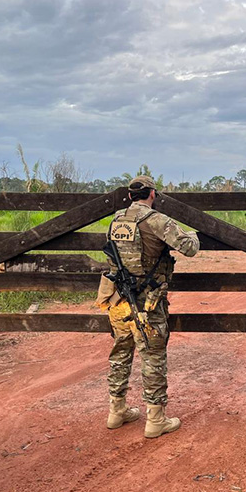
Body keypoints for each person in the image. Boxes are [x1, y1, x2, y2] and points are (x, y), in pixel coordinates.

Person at [95, 175, 199, 438]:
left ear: (130, 196)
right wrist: (192, 234)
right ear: (152, 194)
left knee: (120, 351)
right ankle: (155, 419)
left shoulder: (117, 221)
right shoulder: (155, 220)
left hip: (118, 298)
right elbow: (189, 248)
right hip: (147, 302)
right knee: (152, 357)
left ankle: (116, 412)